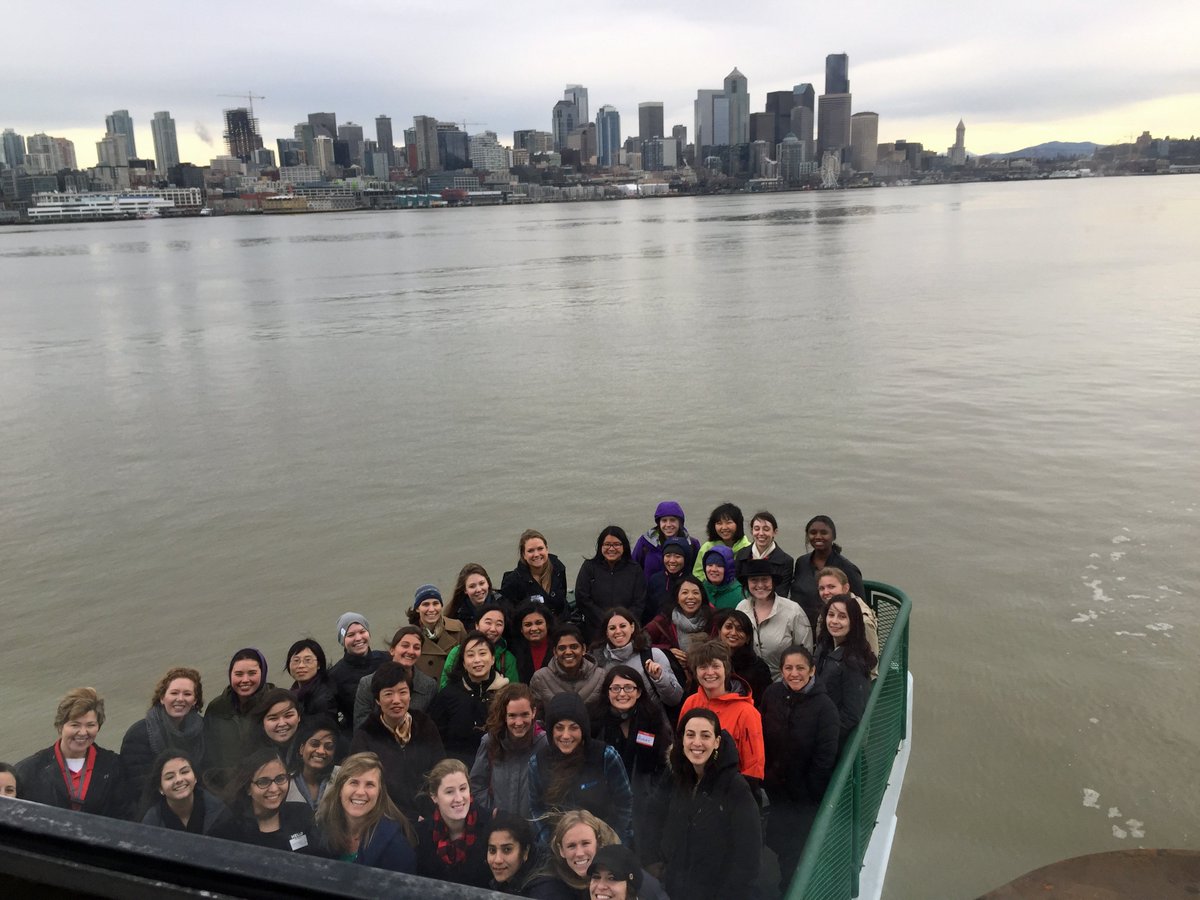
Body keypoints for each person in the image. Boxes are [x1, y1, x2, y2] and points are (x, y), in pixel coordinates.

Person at [659, 708, 761, 900]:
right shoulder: (676, 775)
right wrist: (654, 860)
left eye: (705, 735)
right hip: (675, 886)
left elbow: (748, 855)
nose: (697, 742)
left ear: (717, 742)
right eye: (690, 735)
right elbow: (654, 813)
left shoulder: (735, 787)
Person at [761, 645, 840, 891]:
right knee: (781, 841)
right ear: (781, 670)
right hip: (776, 787)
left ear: (812, 670)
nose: (794, 674)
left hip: (805, 794)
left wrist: (809, 790)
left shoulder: (825, 707)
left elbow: (825, 756)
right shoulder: (772, 694)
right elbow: (762, 735)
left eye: (800, 668)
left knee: (799, 847)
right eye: (788, 668)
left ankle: (795, 888)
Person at [529, 693, 633, 847]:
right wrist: (551, 843)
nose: (565, 735)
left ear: (583, 729)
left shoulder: (605, 756)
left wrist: (614, 844)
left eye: (573, 728)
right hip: (559, 850)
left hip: (604, 847)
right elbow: (536, 808)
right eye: (559, 728)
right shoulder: (538, 762)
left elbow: (625, 804)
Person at [593, 666, 672, 863]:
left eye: (629, 688)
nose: (622, 694)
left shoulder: (653, 719)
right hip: (607, 805)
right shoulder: (595, 722)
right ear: (607, 692)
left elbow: (664, 763)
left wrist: (653, 794)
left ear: (638, 692)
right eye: (616, 688)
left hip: (645, 804)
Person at [348, 662, 444, 822]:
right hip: (385, 819)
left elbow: (440, 769)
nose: (396, 700)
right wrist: (408, 816)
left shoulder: (425, 724)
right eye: (388, 694)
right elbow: (361, 787)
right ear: (377, 699)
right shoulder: (366, 735)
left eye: (402, 692)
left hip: (429, 815)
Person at [14, 687, 129, 818]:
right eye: (75, 725)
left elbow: (124, 816)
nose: (83, 732)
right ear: (60, 726)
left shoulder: (114, 766)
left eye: (90, 725)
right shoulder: (28, 771)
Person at [314, 751, 417, 873]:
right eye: (354, 783)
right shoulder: (320, 829)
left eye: (370, 785)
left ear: (379, 793)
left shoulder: (397, 848)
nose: (360, 792)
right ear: (340, 790)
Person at [677, 641, 765, 783]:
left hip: (729, 791)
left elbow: (754, 766)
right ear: (696, 672)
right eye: (703, 667)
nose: (710, 672)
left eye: (716, 666)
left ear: (726, 669)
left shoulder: (747, 712)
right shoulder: (691, 702)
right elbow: (680, 746)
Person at [119, 666, 206, 803]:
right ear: (162, 697)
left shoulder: (203, 729)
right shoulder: (138, 736)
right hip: (154, 808)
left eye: (187, 694)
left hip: (197, 802)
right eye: (174, 693)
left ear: (195, 700)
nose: (180, 699)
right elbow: (138, 786)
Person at [211, 748, 319, 854]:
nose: (274, 789)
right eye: (263, 782)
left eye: (280, 779)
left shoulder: (301, 814)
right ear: (248, 788)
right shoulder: (229, 829)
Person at [428, 630, 511, 765]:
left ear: (492, 659)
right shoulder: (448, 695)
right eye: (470, 655)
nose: (477, 660)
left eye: (483, 653)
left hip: (499, 767)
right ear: (464, 663)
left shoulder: (507, 694)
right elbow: (436, 739)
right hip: (459, 771)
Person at [547, 811, 668, 900]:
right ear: (561, 850)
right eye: (571, 846)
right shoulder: (551, 883)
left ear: (598, 843)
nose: (579, 853)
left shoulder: (632, 874)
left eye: (586, 843)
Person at [470, 683, 546, 818]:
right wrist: (493, 813)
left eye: (524, 714)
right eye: (512, 715)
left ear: (533, 712)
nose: (519, 722)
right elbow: (477, 785)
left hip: (534, 829)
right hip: (499, 829)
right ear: (504, 715)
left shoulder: (544, 743)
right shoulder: (490, 742)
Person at [415, 758, 493, 887]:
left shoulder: (492, 826)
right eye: (449, 792)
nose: (458, 798)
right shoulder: (421, 834)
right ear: (434, 797)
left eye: (462, 789)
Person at [814, 596, 877, 748]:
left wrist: (821, 737)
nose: (834, 621)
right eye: (831, 615)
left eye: (842, 617)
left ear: (853, 622)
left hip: (831, 742)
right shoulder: (825, 645)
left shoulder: (853, 662)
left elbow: (851, 714)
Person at [736, 557, 812, 680]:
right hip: (749, 684)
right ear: (747, 583)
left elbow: (806, 653)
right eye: (754, 580)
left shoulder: (793, 611)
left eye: (765, 579)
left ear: (773, 582)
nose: (760, 585)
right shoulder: (741, 608)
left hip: (785, 684)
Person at [594, 608, 682, 711]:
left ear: (632, 627)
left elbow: (675, 699)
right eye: (612, 628)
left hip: (654, 723)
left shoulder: (653, 655)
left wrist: (660, 679)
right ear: (607, 633)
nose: (618, 631)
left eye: (623, 626)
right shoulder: (600, 665)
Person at [789, 515, 866, 632]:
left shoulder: (848, 569)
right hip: (800, 627)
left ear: (833, 536)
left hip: (832, 629)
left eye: (824, 533)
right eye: (813, 533)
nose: (818, 536)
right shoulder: (801, 563)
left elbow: (860, 607)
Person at [353, 625, 438, 730]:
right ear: (392, 650)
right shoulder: (367, 683)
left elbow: (430, 728)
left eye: (416, 647)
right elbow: (361, 727)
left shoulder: (429, 686)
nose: (411, 651)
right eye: (405, 646)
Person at [202, 648, 272, 772]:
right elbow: (209, 752)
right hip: (227, 785)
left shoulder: (276, 703)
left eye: (252, 673)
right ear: (230, 674)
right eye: (238, 674)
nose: (245, 680)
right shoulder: (217, 707)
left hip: (269, 783)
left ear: (263, 673)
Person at [574, 526, 647, 638]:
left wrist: (622, 624)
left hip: (627, 632)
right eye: (607, 544)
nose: (611, 549)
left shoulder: (635, 569)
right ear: (600, 546)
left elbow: (639, 602)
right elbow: (582, 598)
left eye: (617, 544)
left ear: (624, 546)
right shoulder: (589, 567)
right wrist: (606, 621)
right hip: (595, 631)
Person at [645, 575, 713, 692]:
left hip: (709, 678)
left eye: (696, 593)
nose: (690, 597)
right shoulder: (665, 619)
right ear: (677, 597)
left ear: (702, 596)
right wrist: (667, 652)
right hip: (675, 682)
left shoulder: (712, 618)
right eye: (685, 593)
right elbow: (640, 642)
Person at [485, 810, 575, 898]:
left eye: (507, 850)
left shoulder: (545, 891)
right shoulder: (508, 878)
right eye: (492, 850)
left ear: (525, 851)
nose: (497, 860)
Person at [139, 749, 231, 835]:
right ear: (160, 788)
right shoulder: (151, 823)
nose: (179, 780)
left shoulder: (220, 813)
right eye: (170, 777)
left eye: (184, 772)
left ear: (195, 778)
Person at [328, 613, 389, 733]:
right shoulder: (335, 676)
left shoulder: (386, 659)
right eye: (350, 635)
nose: (358, 638)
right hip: (361, 735)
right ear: (342, 640)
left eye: (362, 631)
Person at [529, 625, 606, 719]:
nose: (568, 652)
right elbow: (536, 718)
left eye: (574, 647)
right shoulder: (540, 678)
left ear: (584, 649)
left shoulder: (601, 676)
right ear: (555, 652)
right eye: (562, 648)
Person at [817, 565, 880, 670]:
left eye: (831, 587)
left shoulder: (863, 620)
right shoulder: (829, 608)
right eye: (822, 588)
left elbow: (871, 666)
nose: (826, 592)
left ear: (846, 588)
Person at [500, 529, 570, 620]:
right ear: (523, 555)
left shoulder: (558, 568)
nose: (536, 554)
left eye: (540, 548)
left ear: (547, 549)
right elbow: (511, 616)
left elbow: (563, 598)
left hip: (561, 624)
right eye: (530, 551)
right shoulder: (512, 582)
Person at [441, 606, 519, 687]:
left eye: (499, 624)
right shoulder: (457, 652)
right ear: (477, 625)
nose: (493, 629)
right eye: (488, 623)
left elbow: (514, 692)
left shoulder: (508, 658)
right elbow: (445, 687)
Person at [710, 608, 772, 706]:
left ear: (748, 638)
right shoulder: (707, 660)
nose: (733, 633)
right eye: (728, 627)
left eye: (740, 629)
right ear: (719, 631)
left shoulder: (759, 668)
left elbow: (764, 703)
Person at [630, 500, 700, 584]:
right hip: (651, 594)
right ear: (658, 523)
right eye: (664, 520)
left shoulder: (692, 544)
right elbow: (633, 568)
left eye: (673, 520)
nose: (668, 525)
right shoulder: (645, 542)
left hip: (682, 594)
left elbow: (698, 573)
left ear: (680, 522)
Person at [409, 585, 467, 681]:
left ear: (441, 606)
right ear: (417, 608)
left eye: (436, 603)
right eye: (426, 604)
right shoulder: (409, 636)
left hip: (454, 688)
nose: (431, 609)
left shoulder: (457, 628)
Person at [734, 510, 796, 597]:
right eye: (756, 529)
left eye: (766, 529)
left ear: (775, 532)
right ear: (752, 531)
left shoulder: (786, 561)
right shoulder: (742, 554)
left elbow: (781, 594)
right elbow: (737, 586)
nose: (761, 533)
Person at [286, 716, 339, 810]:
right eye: (315, 744)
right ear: (301, 749)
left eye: (329, 746)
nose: (321, 751)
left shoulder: (342, 777)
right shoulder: (285, 782)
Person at [692, 502, 751, 581]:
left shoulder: (748, 548)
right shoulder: (707, 547)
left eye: (729, 523)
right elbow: (697, 575)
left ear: (738, 524)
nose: (724, 527)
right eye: (719, 523)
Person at [284, 638, 339, 723]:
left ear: (319, 664)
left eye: (308, 660)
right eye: (296, 661)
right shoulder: (293, 693)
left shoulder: (324, 697)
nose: (301, 665)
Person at [643, 536, 692, 625]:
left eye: (677, 556)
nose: (672, 560)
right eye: (668, 556)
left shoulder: (692, 583)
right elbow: (648, 612)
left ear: (686, 558)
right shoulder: (655, 580)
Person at [445, 562, 509, 631]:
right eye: (472, 586)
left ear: (488, 583)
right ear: (465, 590)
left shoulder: (504, 605)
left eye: (482, 583)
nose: (478, 589)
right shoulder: (457, 615)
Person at [245, 688, 303, 761]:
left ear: (299, 716)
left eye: (288, 716)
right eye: (273, 718)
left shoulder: (312, 748)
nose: (282, 724)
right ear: (262, 723)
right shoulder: (250, 756)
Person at [511, 602, 555, 683]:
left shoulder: (559, 646)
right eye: (528, 625)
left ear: (547, 624)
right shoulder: (514, 650)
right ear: (521, 629)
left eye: (539, 623)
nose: (534, 628)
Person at [698, 545, 743, 610]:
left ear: (728, 569)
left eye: (719, 566)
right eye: (710, 565)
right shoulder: (700, 589)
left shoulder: (740, 594)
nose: (713, 569)